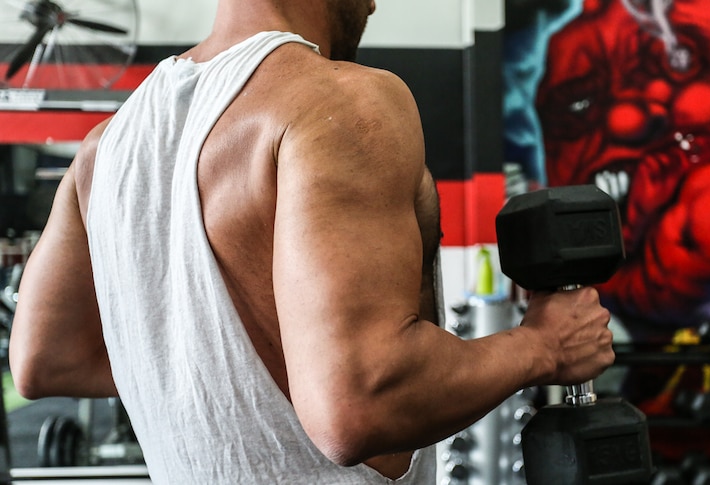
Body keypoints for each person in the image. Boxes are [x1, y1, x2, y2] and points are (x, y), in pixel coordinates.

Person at [9, 0, 614, 482]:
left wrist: (217, 362)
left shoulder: (104, 150)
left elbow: (45, 358)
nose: (373, 6)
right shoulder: (340, 101)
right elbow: (358, 404)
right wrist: (544, 346)